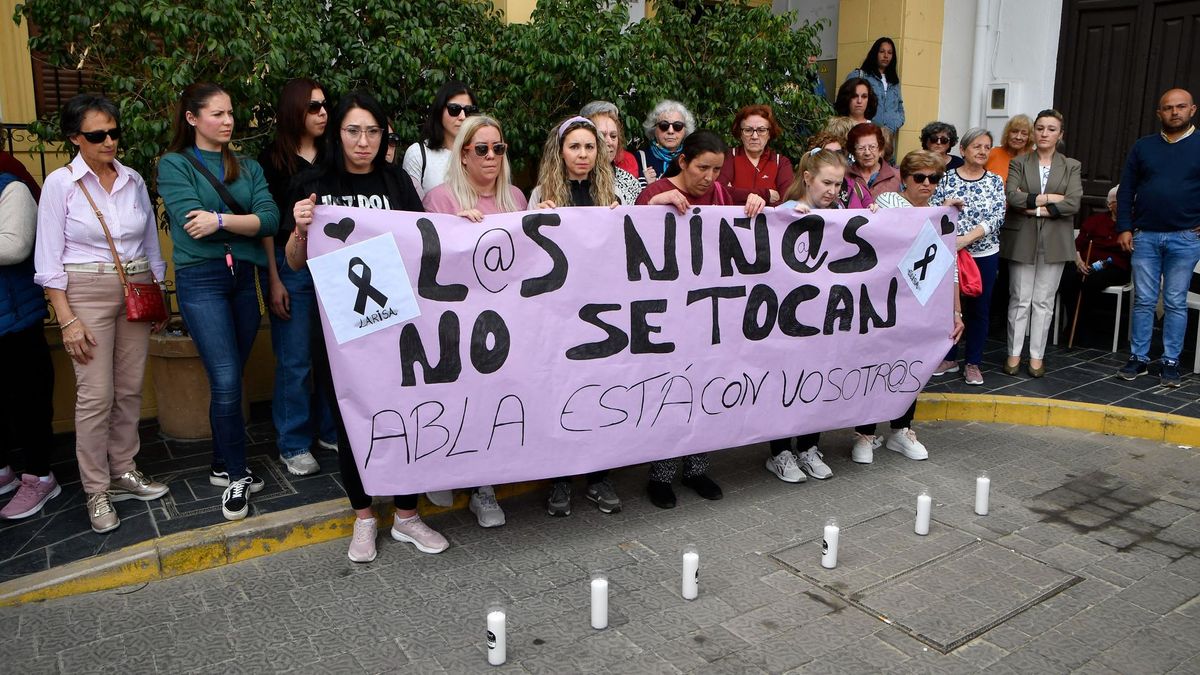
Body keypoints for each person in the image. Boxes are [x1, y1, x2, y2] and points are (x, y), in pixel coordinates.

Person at [286, 91, 448, 561]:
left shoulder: (396, 181)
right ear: (337, 133)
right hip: (339, 329)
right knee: (351, 418)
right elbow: (296, 263)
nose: (364, 141)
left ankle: (407, 515)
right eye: (354, 131)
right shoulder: (313, 183)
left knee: (404, 414)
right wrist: (299, 230)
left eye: (373, 132)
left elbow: (425, 244)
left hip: (396, 325)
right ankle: (362, 517)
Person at [33, 93, 170, 531]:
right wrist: (66, 317)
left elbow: (150, 240)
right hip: (86, 291)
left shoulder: (131, 179)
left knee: (129, 387)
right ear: (75, 137)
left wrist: (158, 290)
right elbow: (48, 259)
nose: (109, 141)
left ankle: (124, 469)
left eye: (114, 132)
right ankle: (96, 490)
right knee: (96, 395)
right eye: (97, 135)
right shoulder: (61, 184)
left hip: (135, 286)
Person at [158, 82, 280, 521]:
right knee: (227, 378)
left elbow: (271, 218)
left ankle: (218, 462)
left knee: (231, 375)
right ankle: (237, 476)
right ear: (191, 118)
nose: (228, 121)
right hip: (201, 281)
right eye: (217, 114)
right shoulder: (175, 164)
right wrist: (239, 224)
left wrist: (223, 220)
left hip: (242, 279)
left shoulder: (246, 166)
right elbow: (192, 223)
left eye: (231, 113)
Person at [636, 131, 762, 507]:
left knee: (708, 387)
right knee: (673, 392)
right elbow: (627, 237)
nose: (709, 177)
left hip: (712, 312)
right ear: (683, 163)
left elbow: (756, 207)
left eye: (717, 169)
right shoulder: (655, 191)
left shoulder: (720, 194)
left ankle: (697, 468)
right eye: (702, 168)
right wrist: (655, 203)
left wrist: (756, 198)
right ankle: (660, 475)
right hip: (669, 313)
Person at [423, 114, 526, 527]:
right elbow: (427, 260)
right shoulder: (440, 200)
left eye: (497, 148)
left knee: (492, 404)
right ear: (463, 155)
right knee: (456, 400)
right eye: (480, 149)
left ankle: (484, 489)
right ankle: (444, 468)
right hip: (456, 319)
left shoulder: (516, 198)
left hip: (505, 321)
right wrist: (454, 232)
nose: (490, 156)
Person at [529, 116, 623, 517]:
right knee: (561, 395)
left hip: (601, 315)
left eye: (589, 147)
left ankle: (598, 479)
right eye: (575, 147)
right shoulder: (541, 195)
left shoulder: (611, 195)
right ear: (560, 151)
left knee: (598, 393)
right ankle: (560, 482)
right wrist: (536, 218)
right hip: (558, 316)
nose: (582, 154)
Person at [853, 150, 966, 463]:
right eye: (920, 177)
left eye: (934, 178)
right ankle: (865, 433)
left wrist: (956, 311)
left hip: (920, 304)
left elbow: (949, 267)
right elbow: (894, 233)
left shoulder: (940, 216)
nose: (927, 184)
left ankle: (901, 430)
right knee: (876, 365)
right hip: (882, 300)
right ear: (905, 179)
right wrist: (941, 213)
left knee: (912, 364)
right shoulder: (890, 202)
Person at [256, 78, 336, 477]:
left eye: (325, 106)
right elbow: (268, 225)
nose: (323, 113)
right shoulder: (271, 160)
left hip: (338, 265)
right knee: (295, 358)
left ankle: (328, 429)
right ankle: (293, 442)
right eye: (313, 107)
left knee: (333, 355)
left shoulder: (335, 152)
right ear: (294, 111)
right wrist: (273, 280)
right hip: (293, 266)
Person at [1116, 88, 1200, 387]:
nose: (1174, 112)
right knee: (1144, 301)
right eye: (1167, 108)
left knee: (1176, 301)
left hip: (1185, 238)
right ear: (1159, 113)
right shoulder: (1143, 147)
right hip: (1146, 236)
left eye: (1180, 107)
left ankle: (1171, 361)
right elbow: (1126, 189)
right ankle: (1138, 358)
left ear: (1192, 110)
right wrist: (1125, 227)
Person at [1001, 109, 1082, 378]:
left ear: (1060, 134)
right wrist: (1051, 198)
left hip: (1056, 241)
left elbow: (1072, 203)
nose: (1044, 133)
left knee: (1044, 302)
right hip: (1022, 238)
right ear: (1034, 132)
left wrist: (1034, 203)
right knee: (1020, 299)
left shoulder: (1071, 165)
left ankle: (1037, 356)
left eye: (1051, 129)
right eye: (1040, 128)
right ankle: (1014, 353)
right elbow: (1013, 197)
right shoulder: (1020, 163)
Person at [0, 166, 58, 521]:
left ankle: (39, 476)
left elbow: (15, 245)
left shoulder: (11, 189)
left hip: (16, 319)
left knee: (28, 403)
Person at [931, 128, 1006, 385]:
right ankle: (949, 357)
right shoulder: (946, 178)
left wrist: (967, 239)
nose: (983, 151)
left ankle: (973, 362)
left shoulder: (994, 181)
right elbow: (933, 210)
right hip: (949, 252)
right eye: (977, 146)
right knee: (946, 308)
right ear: (962, 150)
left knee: (979, 309)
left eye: (987, 147)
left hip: (983, 253)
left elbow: (997, 216)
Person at [1058, 185, 1131, 343]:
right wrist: (1079, 262)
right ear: (1110, 205)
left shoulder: (1133, 225)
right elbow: (1077, 245)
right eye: (1122, 202)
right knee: (1067, 278)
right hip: (1086, 264)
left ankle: (1079, 328)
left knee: (1090, 282)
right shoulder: (1096, 221)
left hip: (1115, 268)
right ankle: (1076, 325)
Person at [402, 81, 479, 198]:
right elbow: (412, 207)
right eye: (454, 109)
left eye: (469, 110)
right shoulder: (418, 153)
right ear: (439, 111)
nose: (462, 117)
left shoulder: (483, 152)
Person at [716, 104, 794, 206]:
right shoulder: (728, 157)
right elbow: (719, 193)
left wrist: (737, 194)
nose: (755, 136)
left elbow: (787, 203)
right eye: (748, 130)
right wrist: (766, 194)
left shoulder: (781, 163)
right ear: (740, 133)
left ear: (770, 133)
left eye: (761, 130)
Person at [580, 100, 643, 205]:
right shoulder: (565, 180)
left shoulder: (630, 182)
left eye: (613, 136)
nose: (609, 142)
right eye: (602, 135)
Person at [846, 37, 905, 135]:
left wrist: (896, 122)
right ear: (875, 53)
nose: (886, 56)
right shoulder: (860, 75)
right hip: (865, 131)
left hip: (888, 134)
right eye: (882, 51)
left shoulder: (894, 81)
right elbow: (845, 100)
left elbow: (899, 106)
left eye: (890, 53)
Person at [805, 130, 874, 209]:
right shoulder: (806, 190)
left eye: (839, 153)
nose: (835, 157)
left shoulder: (854, 185)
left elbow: (869, 204)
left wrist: (872, 208)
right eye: (829, 153)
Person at [636, 99, 695, 186]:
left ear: (685, 130)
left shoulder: (692, 158)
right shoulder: (640, 158)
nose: (670, 131)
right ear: (653, 128)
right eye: (664, 125)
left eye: (677, 126)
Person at [847, 123, 900, 198]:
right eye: (861, 148)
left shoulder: (897, 177)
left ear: (880, 149)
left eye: (872, 147)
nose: (867, 153)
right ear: (853, 152)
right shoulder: (843, 176)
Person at [985, 114, 1032, 184]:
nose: (1018, 137)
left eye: (1024, 134)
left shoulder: (1035, 157)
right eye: (1014, 132)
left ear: (1029, 137)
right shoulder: (991, 153)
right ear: (1007, 133)